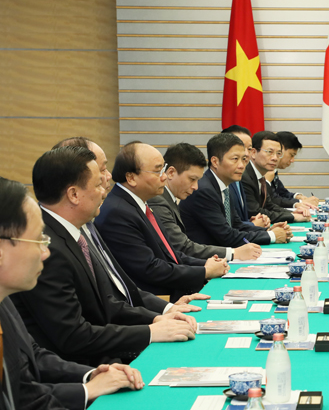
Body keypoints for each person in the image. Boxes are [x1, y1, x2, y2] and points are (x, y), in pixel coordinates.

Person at [12, 147, 197, 368]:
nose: (104, 191)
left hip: (107, 354)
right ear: (73, 194)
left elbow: (108, 301)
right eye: (98, 184)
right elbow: (73, 336)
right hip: (80, 370)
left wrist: (157, 318)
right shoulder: (48, 249)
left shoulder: (79, 231)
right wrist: (149, 332)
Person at [0, 176, 145, 410]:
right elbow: (22, 399)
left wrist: (91, 377)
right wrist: (87, 391)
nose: (45, 253)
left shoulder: (3, 299)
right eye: (38, 240)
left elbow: (31, 356)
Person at [95, 142, 229, 302]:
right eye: (158, 171)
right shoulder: (117, 212)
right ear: (131, 177)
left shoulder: (140, 203)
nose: (164, 177)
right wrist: (204, 272)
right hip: (156, 301)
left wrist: (205, 263)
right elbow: (149, 268)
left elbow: (169, 253)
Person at [149, 143, 262, 262]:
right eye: (192, 179)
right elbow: (182, 247)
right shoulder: (159, 202)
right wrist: (233, 253)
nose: (195, 187)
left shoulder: (169, 199)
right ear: (171, 173)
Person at [180, 133, 291, 247]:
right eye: (235, 159)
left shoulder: (226, 186)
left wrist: (267, 230)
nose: (242, 165)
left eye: (243, 159)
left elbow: (236, 225)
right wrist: (272, 236)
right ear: (215, 162)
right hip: (207, 258)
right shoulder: (204, 190)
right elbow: (227, 236)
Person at [242, 131, 311, 224]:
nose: (275, 158)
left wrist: (292, 212)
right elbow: (254, 212)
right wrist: (293, 216)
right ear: (253, 153)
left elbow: (269, 205)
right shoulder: (244, 176)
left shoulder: (260, 176)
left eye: (278, 153)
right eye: (269, 152)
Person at [220, 125, 269, 228]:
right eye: (241, 148)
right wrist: (252, 225)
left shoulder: (238, 177)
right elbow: (226, 227)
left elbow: (236, 220)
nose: (246, 154)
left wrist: (253, 223)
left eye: (249, 149)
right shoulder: (220, 183)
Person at [271, 131, 320, 206]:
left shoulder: (273, 170)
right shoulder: (266, 171)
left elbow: (282, 192)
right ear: (281, 149)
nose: (292, 160)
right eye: (291, 155)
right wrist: (300, 203)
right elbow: (273, 199)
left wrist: (299, 197)